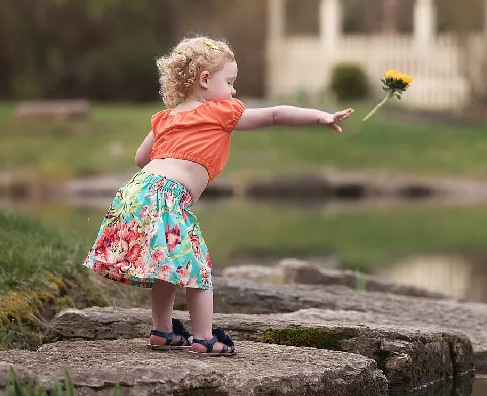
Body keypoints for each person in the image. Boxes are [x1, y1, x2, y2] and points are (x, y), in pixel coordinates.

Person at [83, 36, 354, 356]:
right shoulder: (221, 111)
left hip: (136, 191)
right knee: (197, 269)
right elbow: (274, 115)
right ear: (205, 80)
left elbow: (142, 158)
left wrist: (174, 155)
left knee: (167, 268)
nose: (234, 91)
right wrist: (319, 117)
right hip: (168, 196)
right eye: (230, 82)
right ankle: (204, 338)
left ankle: (163, 330)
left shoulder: (165, 117)